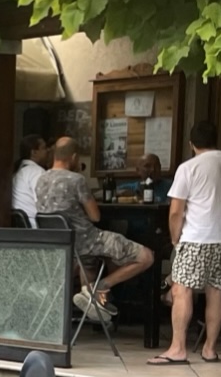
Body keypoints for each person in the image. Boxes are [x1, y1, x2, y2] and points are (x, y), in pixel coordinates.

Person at [150, 119, 221, 364]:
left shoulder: (189, 168)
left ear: (191, 143)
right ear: (216, 140)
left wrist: (175, 238)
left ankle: (178, 349)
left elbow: (176, 211)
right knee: (216, 291)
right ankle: (210, 349)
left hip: (196, 237)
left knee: (181, 289)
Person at [35, 136, 155, 320]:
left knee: (89, 262)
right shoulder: (76, 180)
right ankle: (100, 287)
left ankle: (92, 300)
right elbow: (95, 216)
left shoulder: (41, 179)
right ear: (74, 157)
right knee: (146, 256)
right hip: (88, 241)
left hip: (62, 245)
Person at [11, 134, 48, 225]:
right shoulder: (36, 172)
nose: (47, 151)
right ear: (34, 152)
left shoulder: (17, 171)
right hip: (36, 225)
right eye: (44, 148)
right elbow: (42, 201)